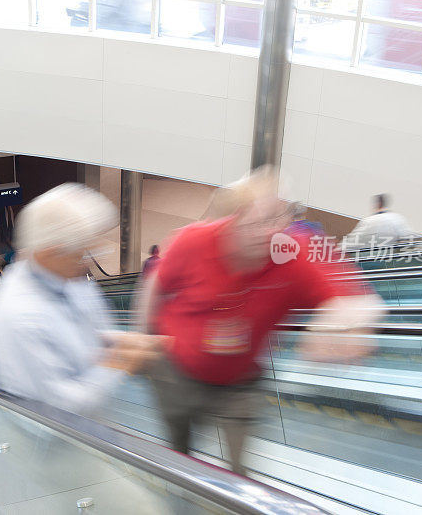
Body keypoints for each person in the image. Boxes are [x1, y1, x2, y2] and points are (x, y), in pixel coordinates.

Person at [135, 169, 383, 476]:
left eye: (280, 220)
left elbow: (360, 299)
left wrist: (338, 325)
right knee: (180, 458)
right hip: (178, 373)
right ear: (230, 219)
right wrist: (144, 337)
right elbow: (155, 285)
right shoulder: (193, 241)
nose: (269, 233)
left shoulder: (291, 250)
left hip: (240, 381)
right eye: (256, 222)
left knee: (241, 475)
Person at [0, 183, 163, 416]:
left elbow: (86, 329)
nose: (87, 261)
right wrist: (121, 363)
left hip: (95, 423)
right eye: (81, 253)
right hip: (52, 440)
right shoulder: (18, 314)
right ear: (50, 252)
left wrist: (120, 341)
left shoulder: (70, 276)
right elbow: (60, 404)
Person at [343, 194, 416, 248]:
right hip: (388, 258)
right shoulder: (397, 219)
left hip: (370, 258)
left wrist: (339, 249)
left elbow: (353, 239)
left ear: (378, 204)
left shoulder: (369, 221)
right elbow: (409, 236)